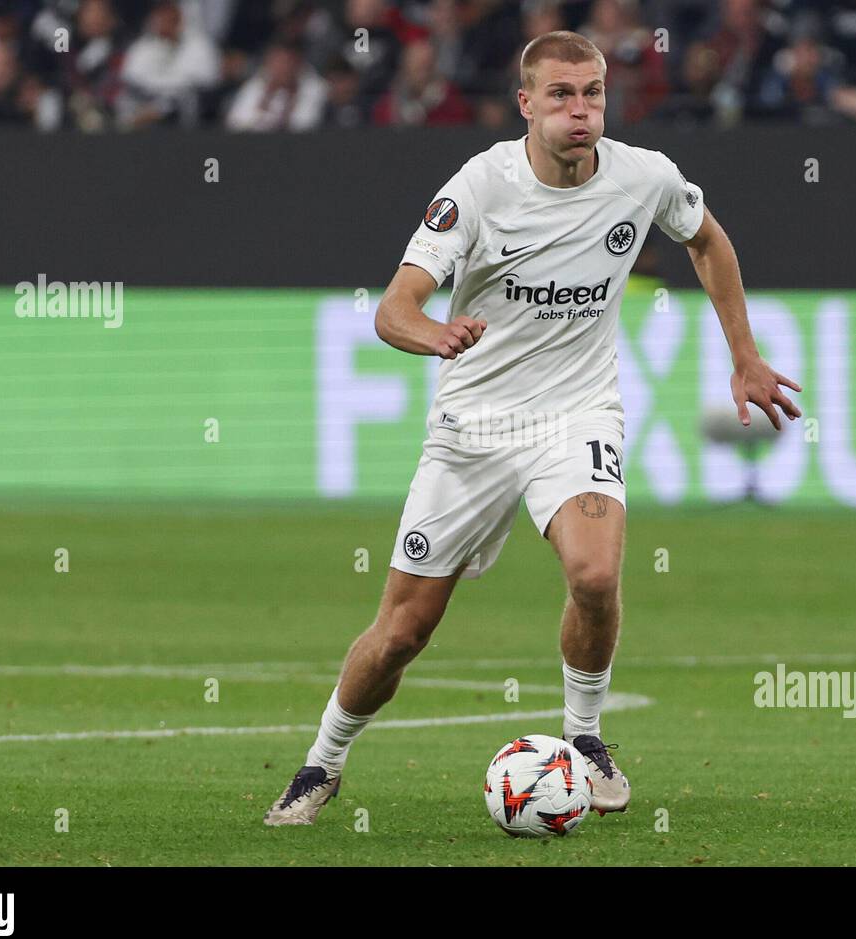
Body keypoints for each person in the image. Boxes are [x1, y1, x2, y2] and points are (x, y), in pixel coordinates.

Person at [265, 29, 801, 828]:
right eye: (560, 95)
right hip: (473, 425)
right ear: (526, 104)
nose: (579, 110)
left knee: (594, 576)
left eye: (591, 93)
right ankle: (323, 762)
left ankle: (583, 739)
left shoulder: (642, 177)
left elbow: (708, 241)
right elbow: (393, 308)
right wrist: (434, 334)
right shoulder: (479, 188)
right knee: (404, 632)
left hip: (576, 414)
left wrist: (746, 356)